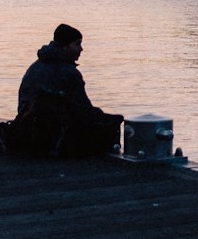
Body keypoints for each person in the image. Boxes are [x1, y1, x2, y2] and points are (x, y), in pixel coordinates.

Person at [16, 23, 123, 157]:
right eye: (77, 44)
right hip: (53, 133)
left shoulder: (36, 66)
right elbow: (83, 110)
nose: (81, 49)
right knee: (109, 124)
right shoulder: (69, 72)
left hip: (27, 126)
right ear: (66, 46)